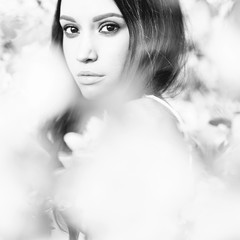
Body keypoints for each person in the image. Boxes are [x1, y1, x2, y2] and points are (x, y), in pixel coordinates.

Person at [48, 0, 196, 239]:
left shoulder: (139, 118)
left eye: (108, 27)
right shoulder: (142, 114)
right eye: (71, 30)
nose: (83, 54)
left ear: (150, 28)